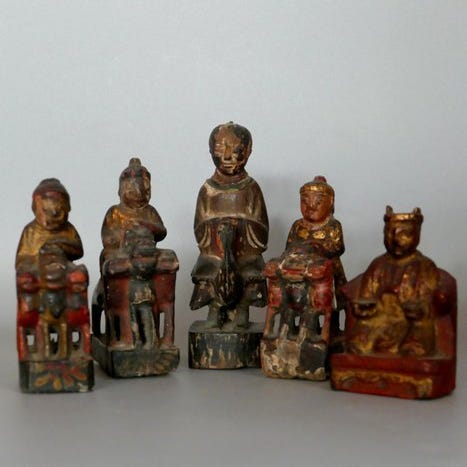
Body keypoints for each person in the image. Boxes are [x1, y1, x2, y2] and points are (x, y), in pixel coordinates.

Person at [190, 122, 269, 329]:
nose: (227, 156)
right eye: (219, 148)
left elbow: (262, 232)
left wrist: (240, 229)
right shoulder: (208, 190)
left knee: (249, 271)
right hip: (215, 253)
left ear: (248, 151)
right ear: (210, 151)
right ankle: (215, 309)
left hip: (244, 253)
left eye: (235, 149)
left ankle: (242, 309)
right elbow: (199, 229)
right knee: (209, 271)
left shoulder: (251, 189)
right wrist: (216, 232)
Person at [349, 206, 438, 356]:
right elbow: (366, 296)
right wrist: (362, 308)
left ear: (417, 235)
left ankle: (410, 353)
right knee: (359, 339)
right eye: (390, 233)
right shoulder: (378, 265)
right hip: (379, 319)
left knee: (417, 336)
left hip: (410, 322)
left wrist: (419, 309)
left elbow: (428, 301)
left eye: (404, 234)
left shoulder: (424, 266)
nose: (396, 239)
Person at [16, 178, 83, 272]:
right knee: (25, 277)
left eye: (59, 210)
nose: (54, 214)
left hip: (63, 268)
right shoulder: (30, 231)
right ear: (36, 208)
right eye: (46, 210)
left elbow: (79, 252)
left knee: (80, 275)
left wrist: (62, 246)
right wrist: (39, 258)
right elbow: (22, 258)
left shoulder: (68, 229)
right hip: (39, 270)